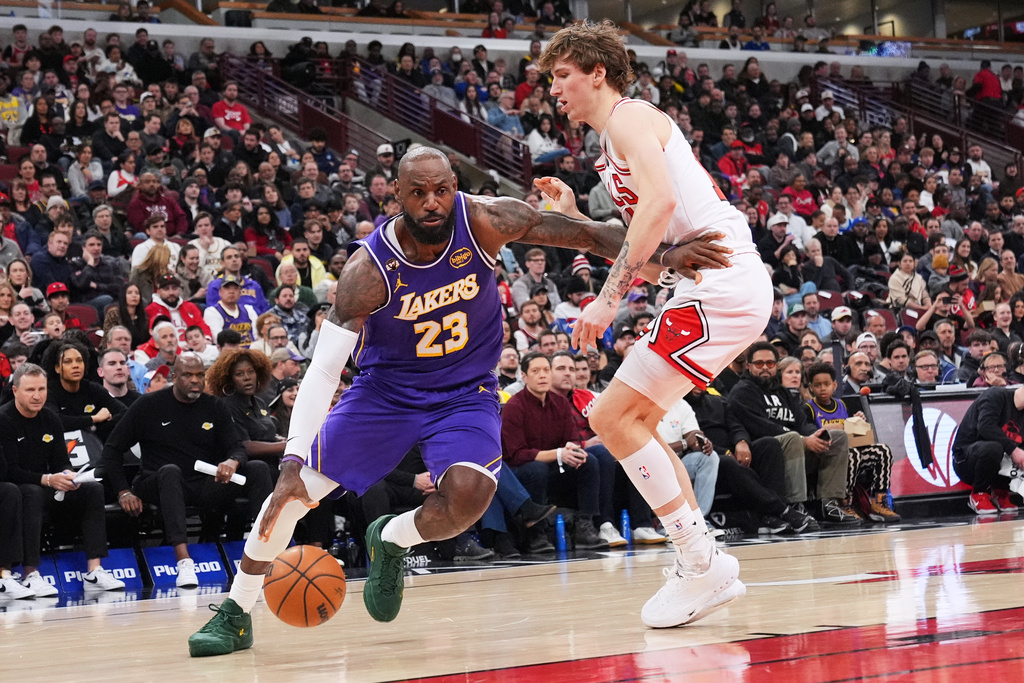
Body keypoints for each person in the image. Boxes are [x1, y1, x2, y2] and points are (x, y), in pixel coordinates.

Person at [187, 146, 711, 654]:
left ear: (454, 187)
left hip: (465, 392)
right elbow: (324, 369)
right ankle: (236, 609)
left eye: (440, 190)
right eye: (418, 193)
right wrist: (293, 457)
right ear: (397, 195)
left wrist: (664, 258)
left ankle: (392, 537)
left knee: (469, 496)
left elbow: (587, 234)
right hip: (385, 394)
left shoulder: (487, 220)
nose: (431, 202)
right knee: (294, 492)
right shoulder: (367, 270)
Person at [537, 21, 772, 628]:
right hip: (710, 283)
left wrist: (607, 300)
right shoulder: (612, 146)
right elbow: (648, 256)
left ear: (598, 73)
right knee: (626, 420)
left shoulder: (630, 117)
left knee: (610, 417)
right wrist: (574, 219)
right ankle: (701, 561)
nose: (553, 89)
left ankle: (700, 563)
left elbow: (661, 209)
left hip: (719, 280)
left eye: (562, 75)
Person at [101, 353, 273, 587]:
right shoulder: (148, 405)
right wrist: (123, 491)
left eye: (200, 375)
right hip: (157, 481)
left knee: (257, 469)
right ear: (174, 377)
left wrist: (232, 461)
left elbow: (237, 447)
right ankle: (184, 561)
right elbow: (112, 450)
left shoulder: (215, 406)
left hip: (202, 483)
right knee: (170, 472)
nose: (195, 380)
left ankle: (266, 553)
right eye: (188, 375)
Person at [0, 363, 126, 595]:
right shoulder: (4, 419)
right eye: (30, 390)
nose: (37, 396)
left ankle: (94, 571)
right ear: (15, 391)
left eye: (42, 389)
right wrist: (48, 479)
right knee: (30, 492)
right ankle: (30, 574)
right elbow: (10, 471)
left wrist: (69, 473)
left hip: (47, 484)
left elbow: (60, 460)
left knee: (92, 490)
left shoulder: (51, 418)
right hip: (18, 488)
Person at [952, 385, 1024, 515]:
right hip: (966, 459)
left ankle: (1000, 490)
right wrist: (1014, 450)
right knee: (995, 448)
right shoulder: (995, 396)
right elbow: (985, 427)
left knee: (1011, 450)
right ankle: (978, 493)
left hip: (998, 463)